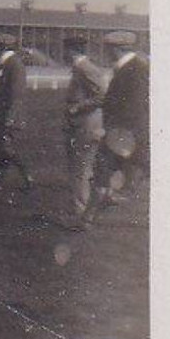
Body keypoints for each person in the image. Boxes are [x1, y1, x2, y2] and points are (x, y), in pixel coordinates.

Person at [82, 30, 150, 224]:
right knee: (103, 172)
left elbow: (134, 107)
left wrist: (111, 131)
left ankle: (89, 217)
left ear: (117, 49)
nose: (106, 52)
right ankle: (89, 216)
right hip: (122, 133)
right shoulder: (128, 67)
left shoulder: (135, 70)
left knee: (106, 171)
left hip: (124, 134)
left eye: (108, 48)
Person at [62, 35, 108, 215]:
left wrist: (77, 107)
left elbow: (103, 95)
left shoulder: (84, 68)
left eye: (66, 50)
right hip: (81, 125)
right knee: (81, 168)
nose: (64, 54)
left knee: (81, 169)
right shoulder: (79, 67)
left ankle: (81, 213)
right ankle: (82, 208)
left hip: (87, 126)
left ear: (71, 51)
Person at [0, 32, 33, 190]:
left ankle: (26, 174)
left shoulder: (13, 64)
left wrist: (10, 118)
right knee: (2, 147)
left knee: (6, 148)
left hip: (8, 115)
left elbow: (16, 94)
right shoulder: (7, 63)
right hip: (2, 114)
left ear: (2, 47)